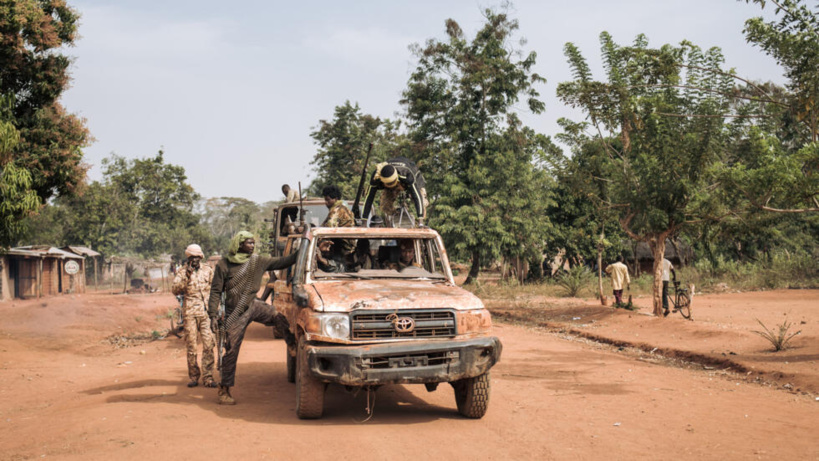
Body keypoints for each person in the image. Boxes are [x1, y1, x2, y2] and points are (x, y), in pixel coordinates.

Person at [208, 231, 298, 405]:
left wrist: (303, 248)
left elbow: (283, 262)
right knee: (231, 351)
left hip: (253, 305)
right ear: (239, 244)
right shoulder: (224, 265)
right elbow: (216, 291)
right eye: (248, 242)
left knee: (279, 317)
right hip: (235, 313)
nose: (252, 245)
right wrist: (213, 314)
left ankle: (291, 343)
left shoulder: (258, 261)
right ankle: (224, 390)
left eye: (253, 242)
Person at [171, 244, 217, 388]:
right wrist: (187, 275)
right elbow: (175, 290)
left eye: (197, 257)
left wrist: (217, 310)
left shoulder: (208, 270)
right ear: (188, 258)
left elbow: (215, 290)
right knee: (191, 346)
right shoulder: (182, 272)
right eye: (192, 257)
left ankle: (208, 376)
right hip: (190, 314)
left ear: (201, 257)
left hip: (206, 313)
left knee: (209, 344)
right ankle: (194, 376)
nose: (195, 260)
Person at [361, 157, 428, 224]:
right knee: (385, 206)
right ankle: (396, 218)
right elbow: (369, 198)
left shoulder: (407, 174)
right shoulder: (376, 176)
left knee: (421, 201)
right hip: (393, 180)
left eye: (392, 183)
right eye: (388, 184)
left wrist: (421, 222)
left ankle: (419, 221)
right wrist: (364, 222)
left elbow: (417, 196)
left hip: (412, 177)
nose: (391, 185)